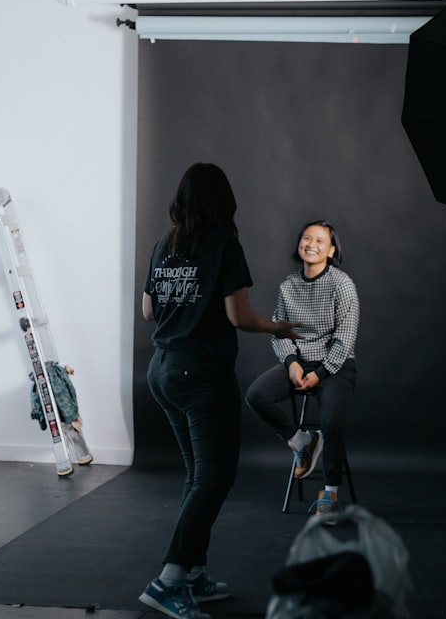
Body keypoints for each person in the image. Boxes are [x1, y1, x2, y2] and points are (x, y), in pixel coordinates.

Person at [140, 162, 302, 619]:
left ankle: (191, 575)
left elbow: (149, 312)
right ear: (223, 201)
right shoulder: (223, 244)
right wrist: (280, 327)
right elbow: (240, 317)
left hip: (163, 371)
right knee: (214, 479)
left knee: (197, 476)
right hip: (201, 376)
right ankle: (168, 581)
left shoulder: (163, 246)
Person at [245, 220, 359, 521]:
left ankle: (329, 496)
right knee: (256, 395)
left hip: (336, 367)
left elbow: (346, 337)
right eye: (307, 238)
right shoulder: (288, 286)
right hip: (299, 362)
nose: (311, 244)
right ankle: (302, 441)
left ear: (331, 250)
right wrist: (292, 362)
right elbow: (278, 331)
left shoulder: (341, 283)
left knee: (332, 423)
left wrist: (321, 373)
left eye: (320, 240)